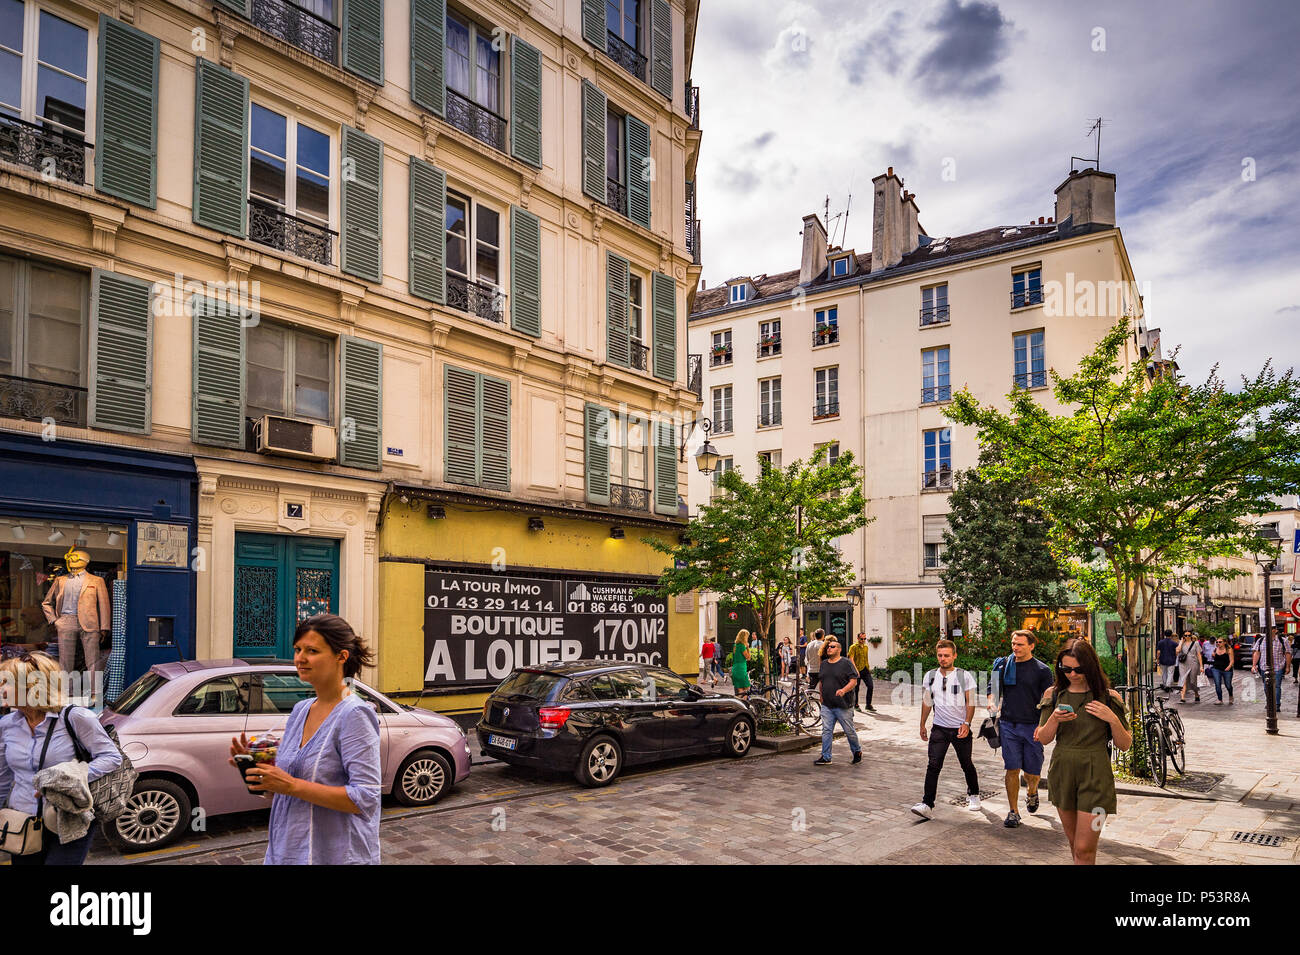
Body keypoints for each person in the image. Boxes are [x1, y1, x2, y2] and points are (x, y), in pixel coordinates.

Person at [231, 614, 381, 865]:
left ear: (341, 657)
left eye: (312, 650)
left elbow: (366, 798)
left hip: (334, 855)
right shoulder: (301, 710)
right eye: (298, 649)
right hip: (288, 852)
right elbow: (285, 791)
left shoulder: (354, 713)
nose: (300, 658)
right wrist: (262, 775)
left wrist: (291, 785)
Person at [0, 650, 122, 865]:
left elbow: (111, 757)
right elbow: (3, 775)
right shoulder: (7, 724)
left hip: (69, 816)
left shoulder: (75, 717)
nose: (1, 689)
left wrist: (64, 777)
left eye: (5, 683)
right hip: (22, 819)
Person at [1034, 639, 1132, 865]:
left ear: (1090, 666)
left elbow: (1125, 744)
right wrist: (1054, 719)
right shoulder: (1054, 694)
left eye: (1078, 669)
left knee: (1085, 848)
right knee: (1075, 846)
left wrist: (1112, 718)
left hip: (1097, 778)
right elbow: (1044, 738)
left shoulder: (1109, 697)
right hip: (1063, 775)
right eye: (1066, 669)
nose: (1072, 674)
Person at [988, 629, 1054, 828]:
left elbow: (1048, 700)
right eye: (1013, 644)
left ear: (1031, 646)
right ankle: (1013, 812)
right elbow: (993, 688)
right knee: (1011, 768)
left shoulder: (1042, 670)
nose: (1015, 648)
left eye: (1020, 645)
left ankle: (1032, 792)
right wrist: (992, 702)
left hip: (1033, 726)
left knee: (1032, 773)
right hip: (1009, 725)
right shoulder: (1003, 666)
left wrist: (1043, 726)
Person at [910, 640, 980, 819]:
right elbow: (927, 701)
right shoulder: (930, 675)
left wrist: (967, 723)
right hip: (939, 728)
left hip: (960, 728)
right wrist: (922, 724)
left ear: (954, 656)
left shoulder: (964, 676)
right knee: (933, 765)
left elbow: (970, 702)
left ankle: (974, 795)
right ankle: (927, 803)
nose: (943, 659)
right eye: (940, 655)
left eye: (947, 655)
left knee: (966, 764)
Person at [812, 637, 862, 766]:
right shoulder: (824, 664)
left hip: (843, 705)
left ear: (839, 650)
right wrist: (821, 697)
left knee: (849, 731)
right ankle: (826, 756)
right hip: (827, 705)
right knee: (826, 730)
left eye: (832, 646)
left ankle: (857, 751)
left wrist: (844, 690)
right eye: (828, 646)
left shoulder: (846, 663)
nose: (829, 648)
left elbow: (854, 681)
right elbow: (822, 681)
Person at [1252, 630, 1293, 711]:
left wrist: (1288, 666)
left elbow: (1287, 653)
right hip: (1264, 667)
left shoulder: (1283, 641)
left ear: (1276, 630)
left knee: (1276, 686)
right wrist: (1254, 665)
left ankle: (1276, 704)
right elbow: (1257, 653)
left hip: (1278, 667)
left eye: (1271, 628)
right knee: (1266, 686)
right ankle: (1269, 702)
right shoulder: (1261, 640)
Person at [847, 633, 875, 712]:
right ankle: (855, 704)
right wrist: (855, 670)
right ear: (858, 638)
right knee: (856, 688)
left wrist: (868, 667)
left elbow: (866, 658)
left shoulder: (866, 647)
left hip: (865, 669)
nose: (863, 641)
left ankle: (868, 705)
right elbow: (851, 659)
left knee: (870, 686)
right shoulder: (853, 647)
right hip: (857, 670)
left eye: (864, 639)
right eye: (861, 639)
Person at [1208, 638, 1234, 705]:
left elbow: (1232, 661)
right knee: (1217, 684)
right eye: (1217, 642)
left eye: (1220, 642)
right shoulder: (1215, 649)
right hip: (1216, 669)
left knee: (1228, 685)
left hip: (1227, 669)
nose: (1218, 643)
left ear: (1224, 642)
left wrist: (1229, 667)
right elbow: (1213, 658)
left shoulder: (1229, 650)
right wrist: (1213, 655)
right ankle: (1220, 699)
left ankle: (1230, 695)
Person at [1177, 633, 1202, 703]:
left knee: (1192, 681)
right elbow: (1177, 651)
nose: (1187, 636)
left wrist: (1201, 666)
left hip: (1193, 663)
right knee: (1183, 680)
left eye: (1189, 635)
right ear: (1183, 636)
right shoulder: (1181, 643)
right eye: (1185, 635)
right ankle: (1182, 697)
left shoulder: (1196, 643)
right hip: (1183, 664)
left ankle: (1196, 694)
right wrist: (1181, 642)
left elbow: (1199, 655)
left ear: (1191, 636)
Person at [729, 629, 752, 698]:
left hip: (735, 668)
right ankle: (743, 706)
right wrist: (748, 647)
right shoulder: (742, 646)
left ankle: (739, 706)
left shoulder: (735, 646)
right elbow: (748, 657)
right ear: (744, 637)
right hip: (741, 669)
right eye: (747, 637)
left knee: (740, 692)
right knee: (747, 690)